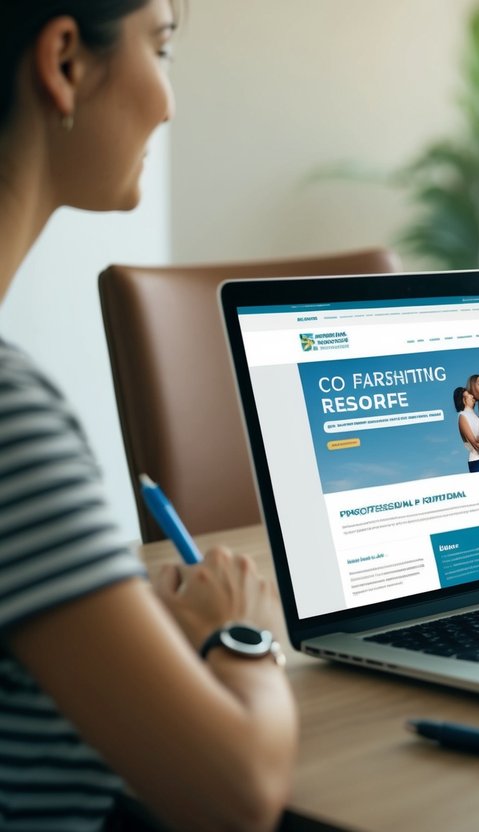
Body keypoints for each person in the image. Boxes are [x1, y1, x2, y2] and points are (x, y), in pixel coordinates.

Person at [0, 2, 297, 829]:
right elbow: (238, 794)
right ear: (63, 63)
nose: (168, 101)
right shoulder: (9, 418)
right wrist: (241, 634)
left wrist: (118, 611)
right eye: (160, 47)